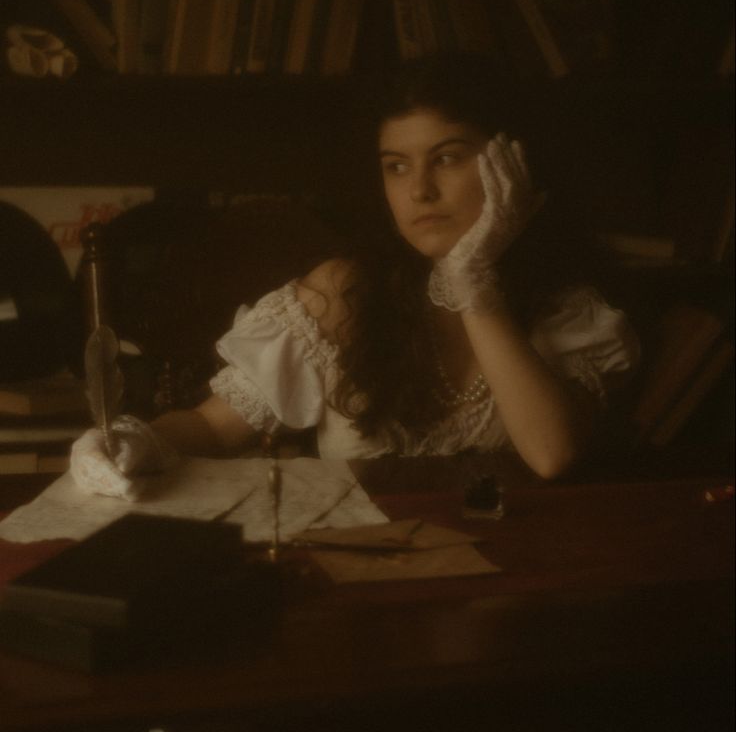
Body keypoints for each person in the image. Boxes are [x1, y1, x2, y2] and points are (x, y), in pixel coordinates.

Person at [71, 52, 640, 499]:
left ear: (511, 165)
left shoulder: (569, 313)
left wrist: (473, 279)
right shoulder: (344, 294)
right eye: (397, 166)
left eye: (446, 158)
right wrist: (130, 441)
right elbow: (213, 429)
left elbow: (551, 454)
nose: (419, 190)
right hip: (358, 565)